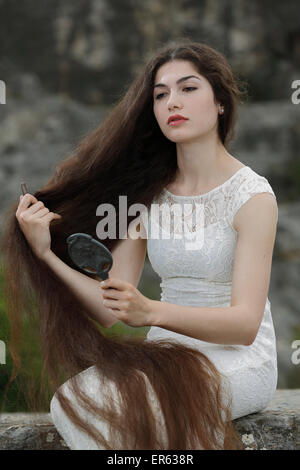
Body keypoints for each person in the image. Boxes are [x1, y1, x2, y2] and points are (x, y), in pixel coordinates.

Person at [0, 39, 278, 450]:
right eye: (160, 94)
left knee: (139, 410)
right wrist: (44, 253)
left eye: (188, 88)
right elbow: (106, 308)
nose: (172, 102)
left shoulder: (253, 197)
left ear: (220, 102)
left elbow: (244, 326)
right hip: (168, 358)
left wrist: (150, 311)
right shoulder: (150, 196)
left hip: (241, 360)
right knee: (70, 399)